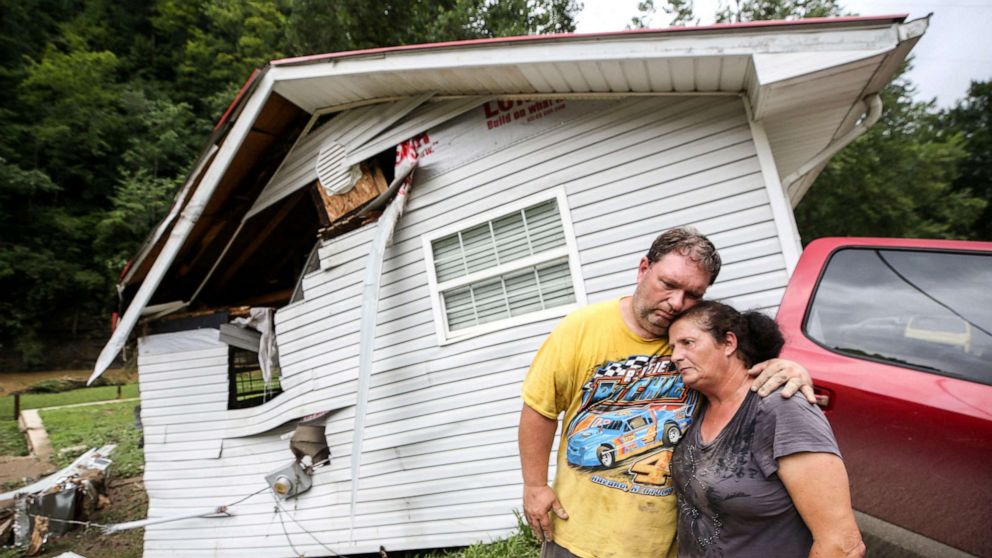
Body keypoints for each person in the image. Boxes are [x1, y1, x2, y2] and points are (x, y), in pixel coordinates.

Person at [518, 227, 817, 558]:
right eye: (669, 284)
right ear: (644, 268)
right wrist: (534, 485)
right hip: (579, 535)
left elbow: (742, 370)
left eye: (692, 294)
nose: (677, 303)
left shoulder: (696, 342)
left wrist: (788, 366)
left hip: (666, 543)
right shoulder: (581, 328)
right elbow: (539, 408)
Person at [668, 301, 864, 557]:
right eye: (672, 347)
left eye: (687, 343)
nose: (675, 356)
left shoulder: (781, 408)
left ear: (728, 342)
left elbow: (842, 545)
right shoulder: (695, 406)